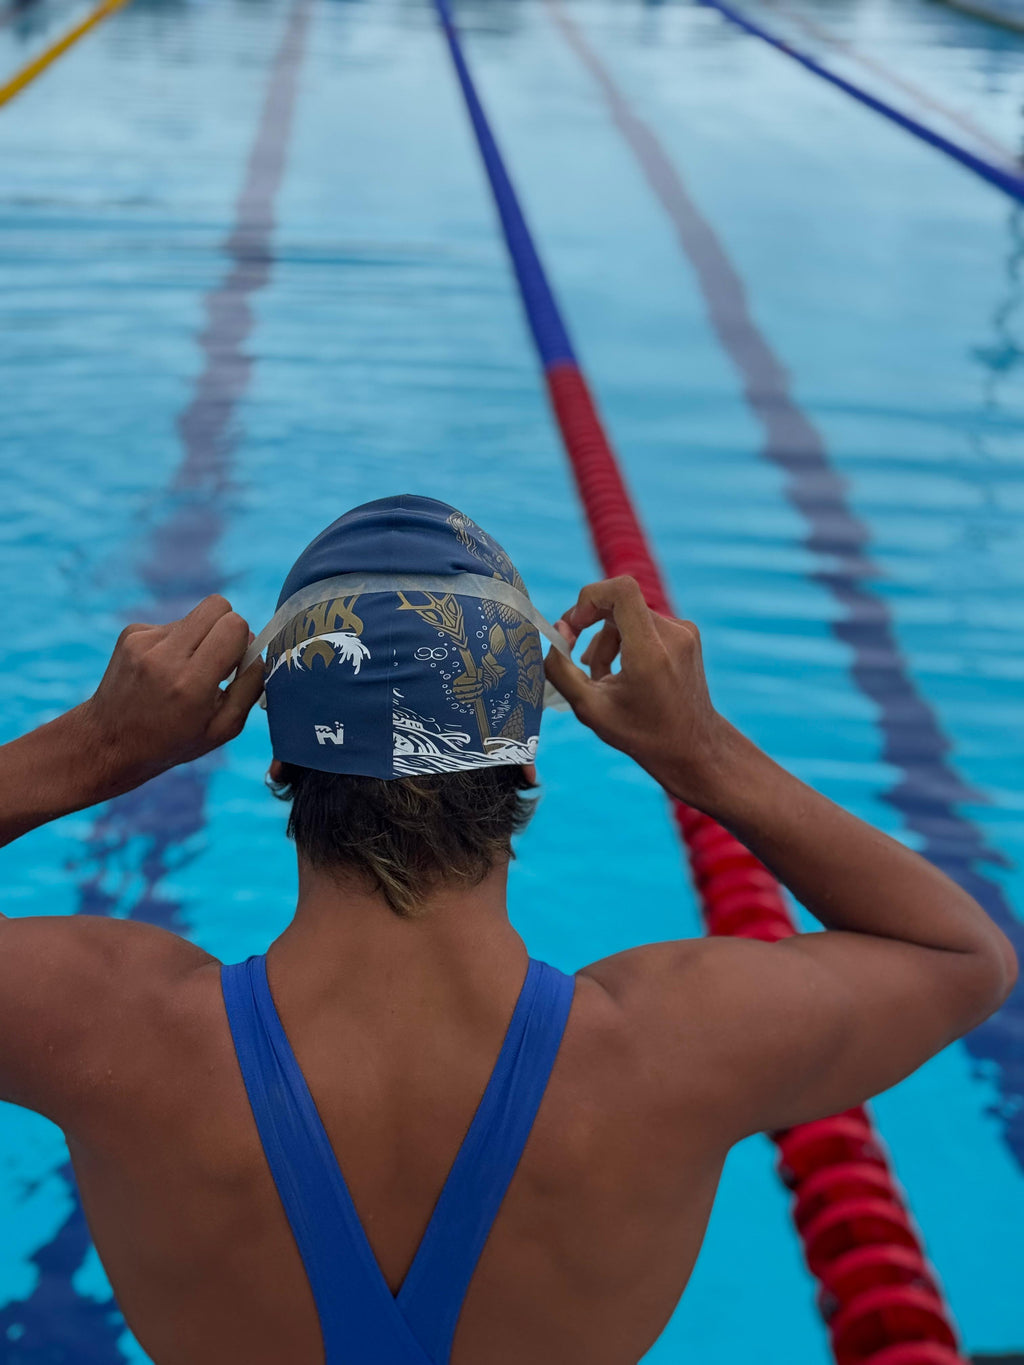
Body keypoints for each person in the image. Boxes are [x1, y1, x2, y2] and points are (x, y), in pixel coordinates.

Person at [0, 494, 1014, 1365]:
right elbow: (960, 955)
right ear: (525, 763)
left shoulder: (114, 1032)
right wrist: (700, 754)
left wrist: (94, 749)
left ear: (279, 766)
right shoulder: (672, 1049)